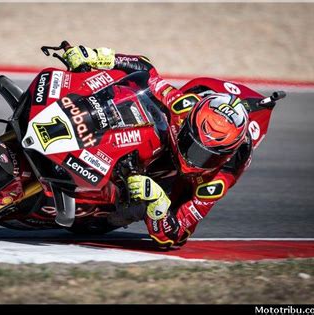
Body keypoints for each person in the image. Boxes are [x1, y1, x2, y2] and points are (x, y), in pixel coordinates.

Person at [62, 45, 253, 249]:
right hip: (160, 142)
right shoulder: (184, 107)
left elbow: (176, 236)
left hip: (170, 185)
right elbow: (146, 70)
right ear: (187, 125)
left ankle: (99, 210)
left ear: (223, 158)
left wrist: (158, 202)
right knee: (120, 91)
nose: (192, 159)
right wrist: (96, 57)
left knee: (133, 206)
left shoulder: (214, 184)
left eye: (206, 156)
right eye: (191, 145)